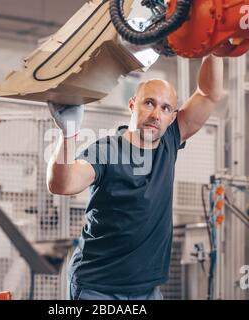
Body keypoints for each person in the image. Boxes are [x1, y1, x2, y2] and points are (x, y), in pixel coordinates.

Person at [46, 54, 223, 300]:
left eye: (165, 108)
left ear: (172, 117)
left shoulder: (170, 141)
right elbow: (63, 184)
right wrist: (68, 134)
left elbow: (209, 94)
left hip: (148, 290)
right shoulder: (106, 150)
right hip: (98, 288)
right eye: (149, 103)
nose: (156, 114)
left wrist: (212, 47)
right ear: (132, 105)